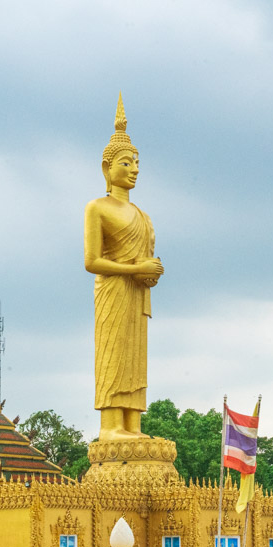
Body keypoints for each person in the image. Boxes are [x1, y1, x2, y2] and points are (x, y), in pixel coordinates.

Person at [83, 95, 163, 441]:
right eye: (127, 163)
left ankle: (132, 424)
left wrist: (149, 272)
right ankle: (111, 426)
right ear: (107, 168)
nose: (134, 169)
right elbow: (91, 261)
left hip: (136, 294)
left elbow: (146, 260)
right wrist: (132, 271)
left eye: (136, 163)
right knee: (114, 355)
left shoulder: (142, 215)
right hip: (114, 291)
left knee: (135, 359)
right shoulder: (97, 208)